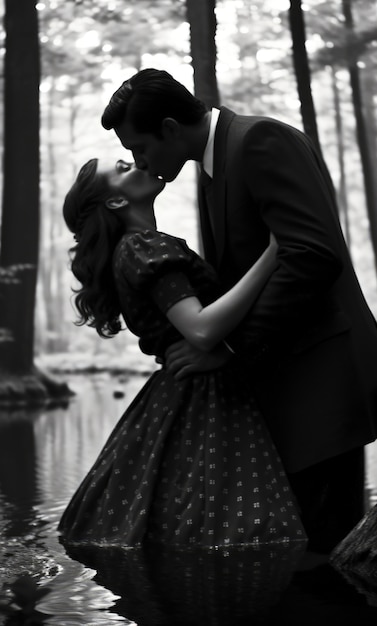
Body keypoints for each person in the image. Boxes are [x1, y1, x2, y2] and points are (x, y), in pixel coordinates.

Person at [101, 68, 377, 552]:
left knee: (327, 553)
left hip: (321, 381)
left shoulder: (259, 141)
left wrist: (228, 345)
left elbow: (311, 255)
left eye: (139, 147)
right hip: (285, 386)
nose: (138, 159)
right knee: (305, 553)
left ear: (169, 127)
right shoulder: (212, 168)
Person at [58, 157, 307, 548]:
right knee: (237, 531)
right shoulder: (143, 246)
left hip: (181, 391)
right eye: (123, 168)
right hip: (203, 392)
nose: (138, 163)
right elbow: (202, 329)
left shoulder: (133, 249)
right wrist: (274, 253)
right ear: (116, 203)